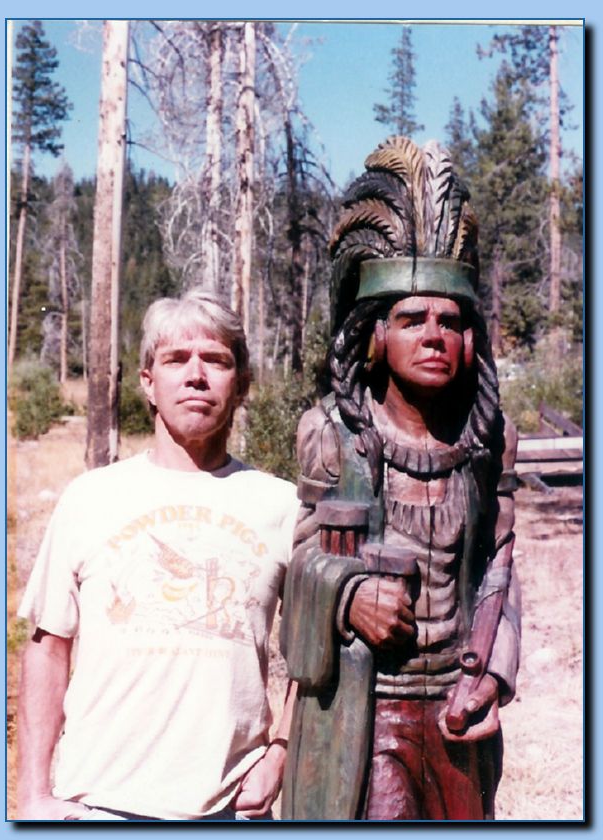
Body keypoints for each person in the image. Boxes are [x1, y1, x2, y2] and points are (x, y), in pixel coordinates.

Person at [280, 136, 521, 821]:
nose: (434, 335)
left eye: (450, 321)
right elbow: (299, 563)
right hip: (368, 710)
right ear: (375, 336)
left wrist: (494, 677)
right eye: (412, 319)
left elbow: (501, 572)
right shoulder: (334, 435)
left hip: (454, 705)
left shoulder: (488, 440)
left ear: (471, 339)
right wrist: (348, 597)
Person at [16, 290, 299, 821]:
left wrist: (281, 750)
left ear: (240, 385)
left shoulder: (281, 505)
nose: (196, 375)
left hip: (226, 808)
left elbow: (317, 657)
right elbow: (48, 648)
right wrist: (31, 796)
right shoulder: (90, 497)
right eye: (176, 360)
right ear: (148, 382)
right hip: (97, 804)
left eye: (216, 360)